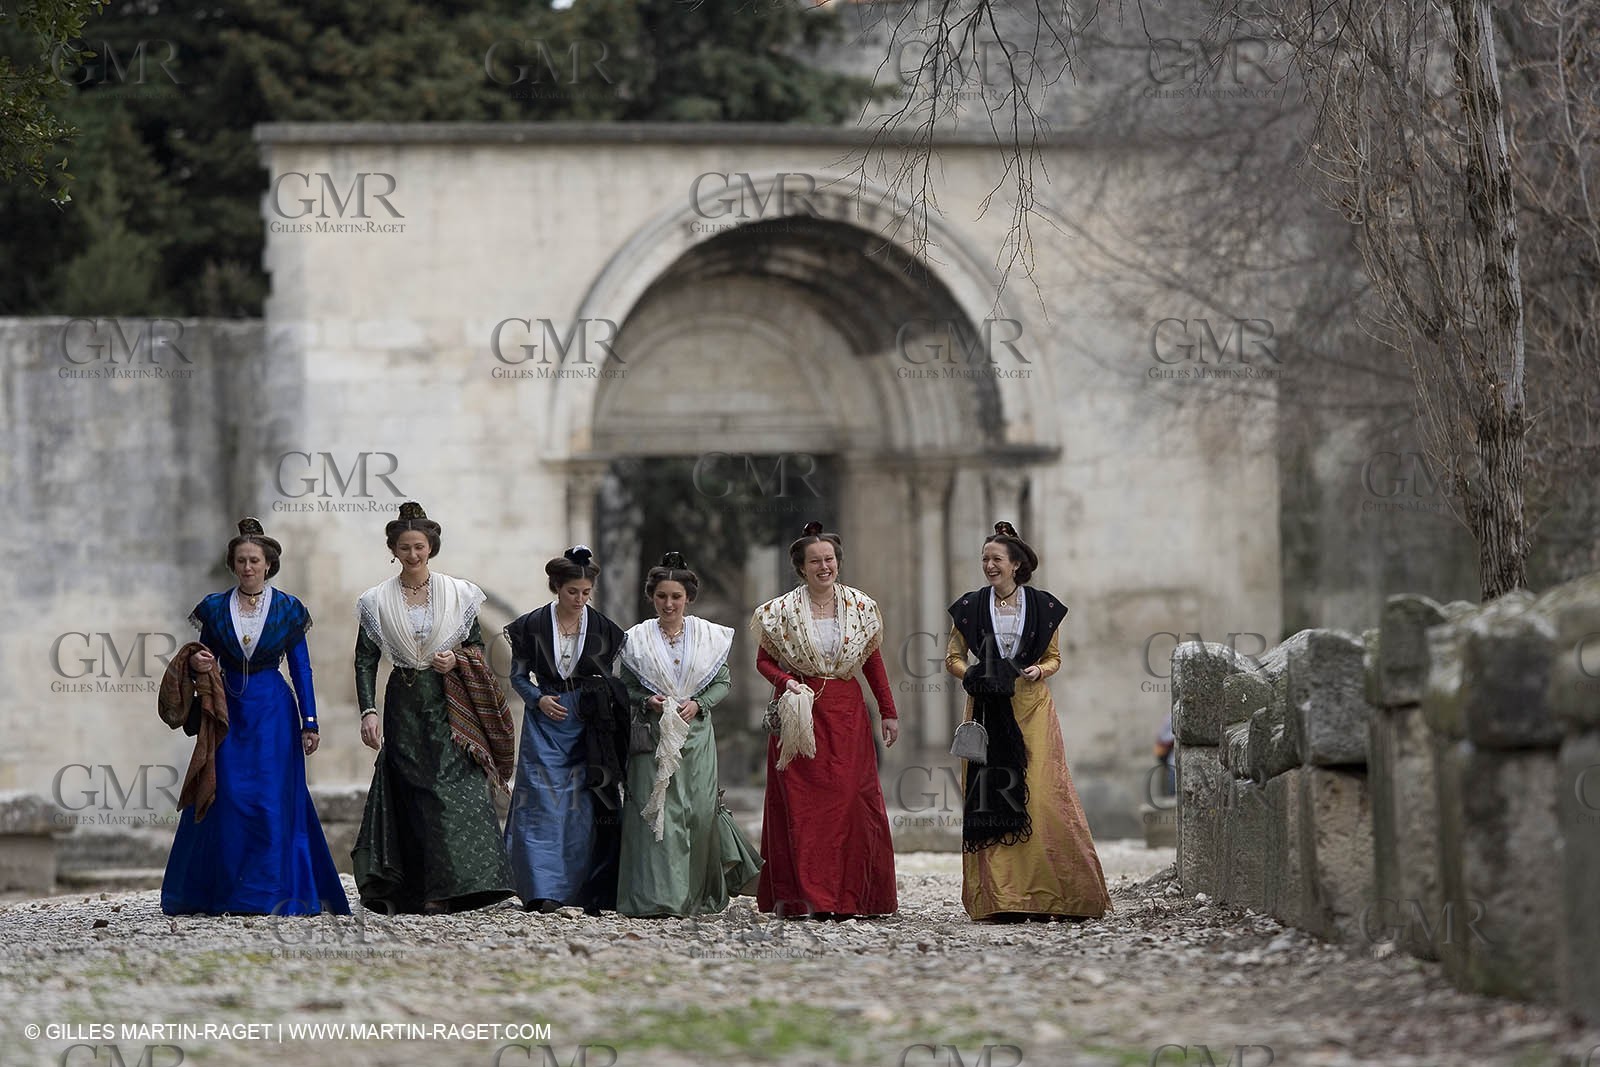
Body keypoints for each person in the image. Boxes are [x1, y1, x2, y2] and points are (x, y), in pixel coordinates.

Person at [159, 517, 349, 916]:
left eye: (255, 561)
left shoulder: (288, 609)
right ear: (233, 565)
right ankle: (224, 892)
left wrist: (310, 722)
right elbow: (203, 659)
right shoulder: (214, 607)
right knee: (226, 794)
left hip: (274, 713)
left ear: (268, 565)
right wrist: (199, 660)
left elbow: (301, 668)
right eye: (241, 560)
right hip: (228, 711)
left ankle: (271, 893)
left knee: (270, 799)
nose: (248, 567)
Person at [351, 501, 516, 914]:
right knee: (411, 789)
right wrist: (368, 711)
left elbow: (477, 645)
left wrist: (457, 659)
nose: (413, 554)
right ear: (393, 549)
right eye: (405, 547)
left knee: (452, 786)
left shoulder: (457, 594)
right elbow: (365, 659)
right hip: (404, 699)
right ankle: (417, 888)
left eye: (420, 546)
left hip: (448, 701)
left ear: (432, 548)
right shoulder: (376, 601)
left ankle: (462, 885)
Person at [944, 521, 1111, 922]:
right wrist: (971, 674)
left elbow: (1054, 657)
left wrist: (1040, 671)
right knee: (992, 795)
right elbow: (953, 656)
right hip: (987, 710)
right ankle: (1000, 898)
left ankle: (1061, 897)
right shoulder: (969, 607)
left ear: (1016, 564)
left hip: (1032, 710)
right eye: (984, 559)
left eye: (996, 559)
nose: (989, 565)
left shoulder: (1043, 607)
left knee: (1041, 793)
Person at [751, 521, 899, 919]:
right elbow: (763, 661)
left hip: (847, 713)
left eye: (829, 559)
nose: (824, 566)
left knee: (851, 800)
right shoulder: (780, 611)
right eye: (815, 561)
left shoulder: (860, 607)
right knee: (803, 806)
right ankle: (809, 899)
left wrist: (888, 711)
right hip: (800, 712)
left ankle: (851, 897)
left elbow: (873, 662)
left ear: (838, 562)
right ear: (801, 567)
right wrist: (786, 683)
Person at [616, 552, 761, 917]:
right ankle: (656, 897)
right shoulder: (637, 639)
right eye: (662, 596)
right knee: (656, 813)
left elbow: (723, 682)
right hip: (654, 737)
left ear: (688, 599)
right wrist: (647, 699)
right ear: (652, 597)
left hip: (695, 736)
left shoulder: (708, 637)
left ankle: (694, 894)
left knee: (695, 812)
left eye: (676, 597)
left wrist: (699, 703)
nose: (668, 603)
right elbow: (626, 685)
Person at [503, 546, 630, 913]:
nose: (579, 599)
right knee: (540, 802)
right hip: (545, 720)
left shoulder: (605, 629)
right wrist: (537, 698)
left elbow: (614, 679)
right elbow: (517, 676)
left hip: (587, 726)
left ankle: (581, 890)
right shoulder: (530, 625)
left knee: (580, 808)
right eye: (572, 591)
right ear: (556, 587)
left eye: (586, 592)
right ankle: (542, 890)